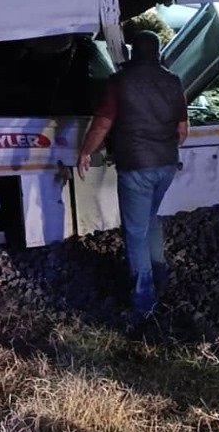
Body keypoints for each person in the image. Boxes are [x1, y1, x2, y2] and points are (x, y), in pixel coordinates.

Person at [77, 30, 188, 316]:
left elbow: (101, 125)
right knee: (150, 219)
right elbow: (183, 131)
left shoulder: (119, 82)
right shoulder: (173, 81)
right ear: (159, 53)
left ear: (130, 54)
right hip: (166, 165)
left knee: (135, 232)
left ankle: (143, 300)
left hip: (136, 166)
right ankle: (160, 276)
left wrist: (86, 151)